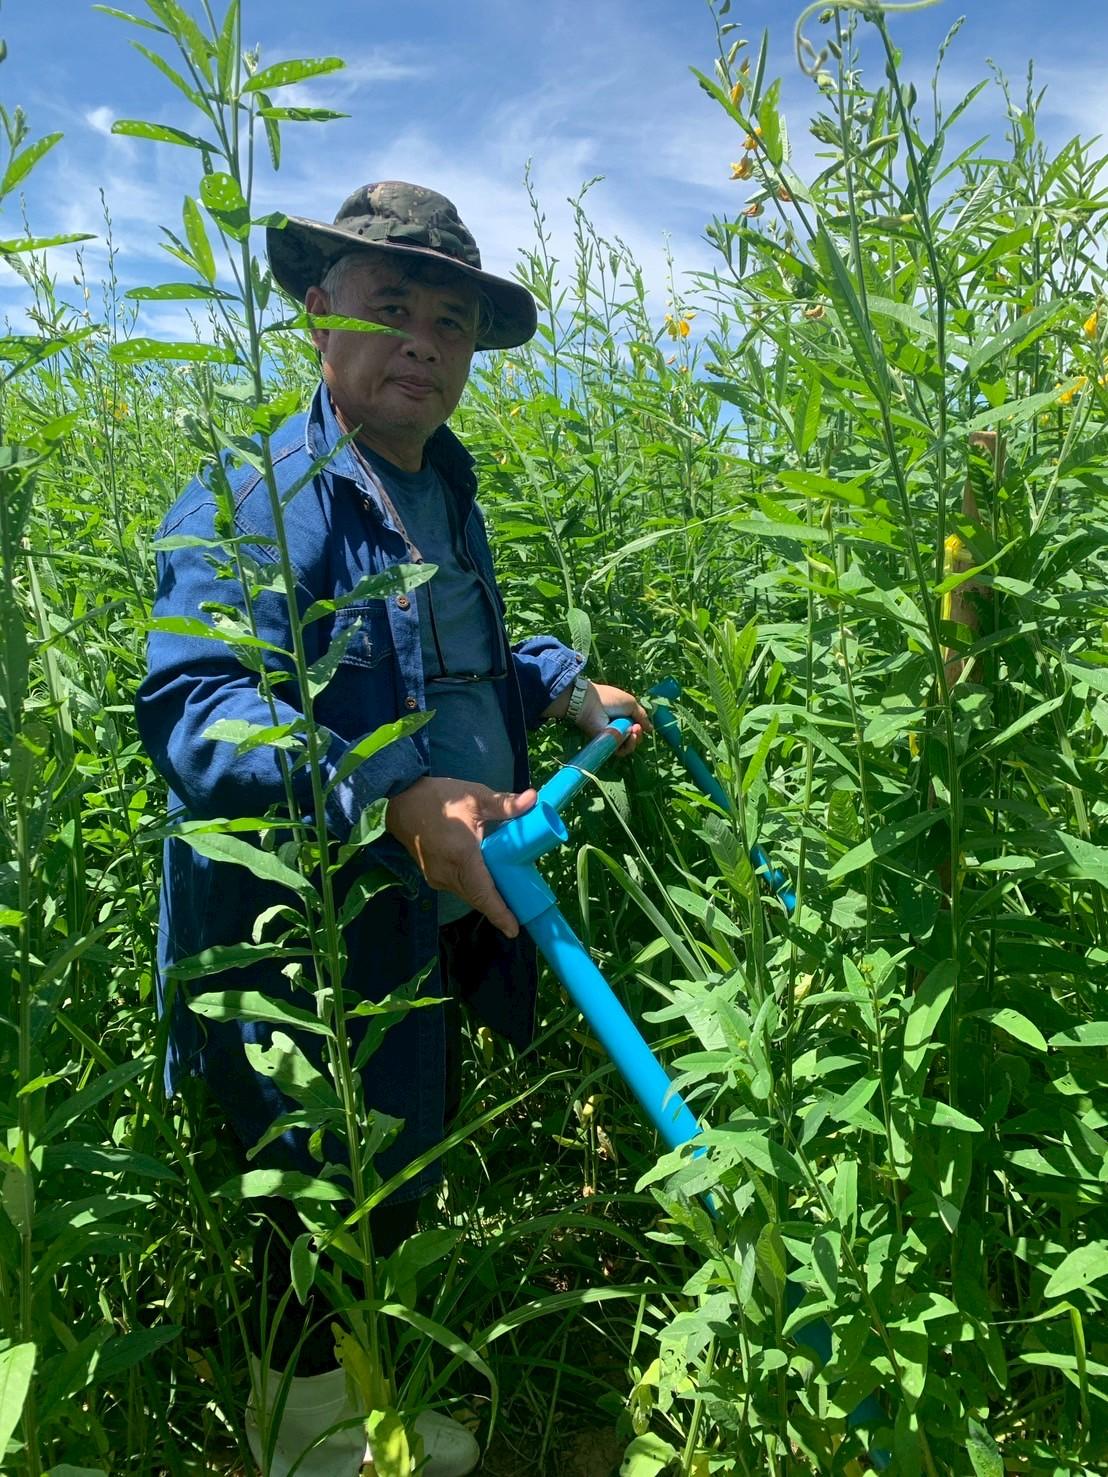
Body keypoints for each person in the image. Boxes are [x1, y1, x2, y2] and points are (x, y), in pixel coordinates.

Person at [135, 181, 649, 1477]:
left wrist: (563, 681)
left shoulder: (441, 491)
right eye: (392, 302)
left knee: (390, 1155)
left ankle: (332, 1384)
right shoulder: (261, 491)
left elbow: (463, 644)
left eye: (451, 319)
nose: (424, 337)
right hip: (305, 930)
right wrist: (385, 797)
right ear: (319, 313)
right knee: (304, 1162)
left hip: (417, 917)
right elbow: (199, 707)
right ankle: (301, 1420)